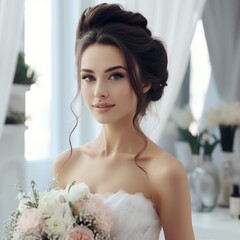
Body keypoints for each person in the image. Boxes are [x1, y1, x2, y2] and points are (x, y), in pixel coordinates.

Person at [54, 3, 195, 240]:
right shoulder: (66, 163)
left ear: (145, 82)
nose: (99, 91)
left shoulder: (165, 172)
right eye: (88, 77)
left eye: (115, 76)